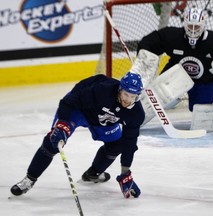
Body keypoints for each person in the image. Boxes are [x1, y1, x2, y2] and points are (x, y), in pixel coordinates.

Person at [10, 72, 145, 199]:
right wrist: (62, 124)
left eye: (133, 97)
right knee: (54, 141)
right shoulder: (102, 90)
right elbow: (68, 102)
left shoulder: (136, 113)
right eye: (126, 95)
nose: (128, 100)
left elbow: (129, 143)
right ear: (120, 89)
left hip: (104, 119)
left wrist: (125, 173)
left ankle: (93, 174)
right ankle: (29, 179)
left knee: (117, 145)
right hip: (79, 110)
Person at [135, 6, 213, 131]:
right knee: (158, 99)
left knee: (204, 114)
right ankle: (133, 118)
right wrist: (144, 53)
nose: (192, 30)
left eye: (196, 27)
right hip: (175, 77)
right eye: (190, 26)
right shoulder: (173, 36)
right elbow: (151, 40)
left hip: (204, 81)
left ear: (203, 25)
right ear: (184, 24)